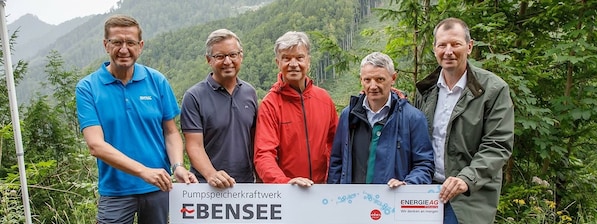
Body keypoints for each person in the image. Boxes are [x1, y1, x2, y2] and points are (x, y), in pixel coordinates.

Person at [75, 15, 197, 224]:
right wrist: (144, 170)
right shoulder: (89, 88)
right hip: (115, 192)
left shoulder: (156, 82)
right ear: (106, 45)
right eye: (117, 42)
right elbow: (96, 145)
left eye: (131, 42)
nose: (124, 48)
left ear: (141, 46)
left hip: (157, 190)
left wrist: (176, 164)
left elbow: (171, 131)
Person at [414, 18, 514, 224]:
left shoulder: (492, 89)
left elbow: (498, 145)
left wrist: (466, 179)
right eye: (442, 44)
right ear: (434, 49)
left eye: (455, 43)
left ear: (469, 47)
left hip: (466, 194)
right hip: (426, 190)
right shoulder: (426, 89)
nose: (448, 50)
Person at [328, 52, 434, 186]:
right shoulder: (349, 115)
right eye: (367, 80)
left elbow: (424, 164)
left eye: (380, 79)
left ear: (393, 78)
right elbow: (337, 162)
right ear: (361, 80)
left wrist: (408, 184)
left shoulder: (413, 118)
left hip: (392, 202)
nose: (373, 86)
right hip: (353, 202)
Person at [254, 31, 338, 187]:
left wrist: (331, 178)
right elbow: (263, 154)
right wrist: (284, 183)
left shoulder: (324, 99)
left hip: (322, 192)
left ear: (308, 61)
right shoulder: (270, 104)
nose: (293, 64)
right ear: (277, 63)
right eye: (286, 58)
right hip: (287, 194)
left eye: (299, 58)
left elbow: (337, 144)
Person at [180, 29, 258, 188]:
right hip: (206, 187)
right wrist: (211, 174)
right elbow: (194, 145)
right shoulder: (194, 96)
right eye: (220, 56)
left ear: (241, 56)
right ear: (208, 60)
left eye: (233, 55)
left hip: (246, 186)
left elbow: (255, 139)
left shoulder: (250, 93)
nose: (228, 61)